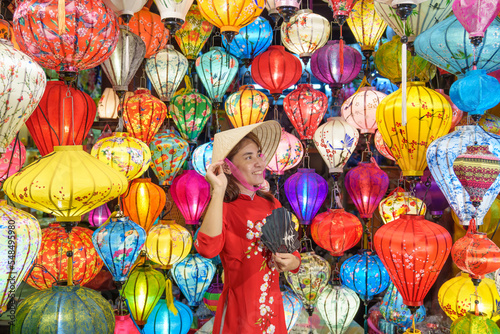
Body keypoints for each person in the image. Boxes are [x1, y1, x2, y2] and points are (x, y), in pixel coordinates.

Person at [195, 121, 301, 334]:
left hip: (272, 312)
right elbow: (207, 249)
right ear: (227, 166)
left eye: (259, 155)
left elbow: (294, 256)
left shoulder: (271, 203)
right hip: (238, 314)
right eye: (248, 157)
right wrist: (218, 189)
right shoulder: (222, 206)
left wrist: (292, 261)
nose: (259, 163)